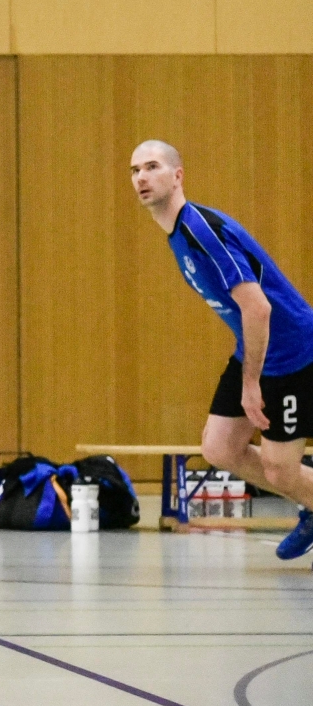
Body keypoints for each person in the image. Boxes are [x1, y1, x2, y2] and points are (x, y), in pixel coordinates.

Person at [130, 140, 313, 561]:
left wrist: (251, 383)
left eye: (152, 166)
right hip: (255, 347)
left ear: (177, 176)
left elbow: (258, 306)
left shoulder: (201, 232)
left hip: (291, 355)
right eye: (135, 169)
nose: (141, 177)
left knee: (279, 468)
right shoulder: (177, 233)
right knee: (219, 447)